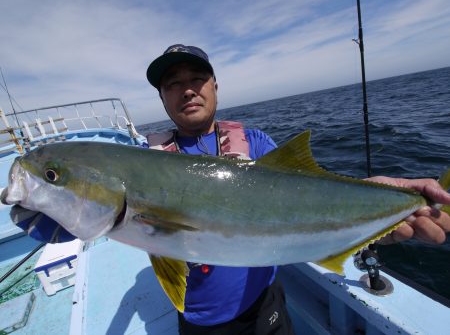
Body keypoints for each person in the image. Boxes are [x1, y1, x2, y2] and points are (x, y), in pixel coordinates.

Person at [4, 44, 450, 334]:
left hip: (267, 306)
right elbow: (81, 223)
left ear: (215, 86)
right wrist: (45, 216)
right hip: (199, 322)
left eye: (196, 78)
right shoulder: (148, 158)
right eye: (172, 84)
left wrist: (383, 213)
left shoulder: (255, 144)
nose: (187, 90)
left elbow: (314, 195)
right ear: (162, 99)